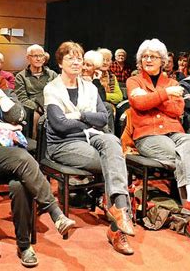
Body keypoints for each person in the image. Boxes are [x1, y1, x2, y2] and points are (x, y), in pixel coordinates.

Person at [0, 52, 76, 267]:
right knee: (22, 156)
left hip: (9, 157)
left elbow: (18, 117)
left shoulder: (8, 94)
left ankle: (24, 246)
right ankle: (55, 212)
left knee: (21, 185)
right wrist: (3, 127)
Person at [44, 42, 135, 255]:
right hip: (63, 144)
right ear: (60, 63)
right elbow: (60, 125)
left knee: (112, 142)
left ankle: (119, 211)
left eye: (79, 58)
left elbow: (104, 118)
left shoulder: (90, 87)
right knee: (115, 163)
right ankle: (118, 226)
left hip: (92, 137)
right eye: (70, 58)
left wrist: (80, 115)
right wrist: (89, 120)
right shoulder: (52, 88)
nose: (76, 62)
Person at [126, 38, 190, 225]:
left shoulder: (171, 81)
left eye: (153, 57)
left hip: (174, 131)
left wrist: (151, 99)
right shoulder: (134, 80)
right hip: (147, 135)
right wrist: (166, 94)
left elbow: (177, 110)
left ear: (162, 61)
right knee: (184, 157)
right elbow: (139, 103)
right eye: (145, 56)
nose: (148, 60)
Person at [15, 44, 57, 114]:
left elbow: (59, 93)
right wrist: (39, 108)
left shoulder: (52, 74)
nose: (38, 59)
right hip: (32, 109)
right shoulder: (21, 76)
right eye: (35, 56)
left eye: (41, 56)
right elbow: (22, 99)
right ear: (28, 58)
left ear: (44, 59)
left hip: (52, 107)